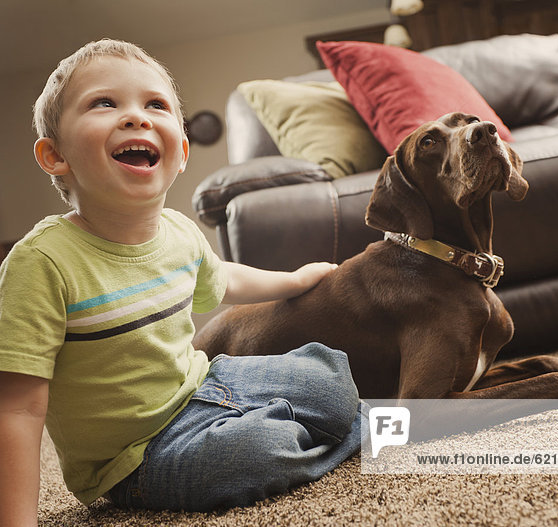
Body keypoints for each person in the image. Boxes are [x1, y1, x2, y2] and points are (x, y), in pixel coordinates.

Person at [0, 39, 365, 525]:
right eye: (105, 103)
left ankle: (314, 422)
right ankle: (336, 435)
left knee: (330, 376)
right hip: (135, 458)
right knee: (256, 450)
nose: (136, 117)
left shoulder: (179, 230)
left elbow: (226, 278)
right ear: (54, 155)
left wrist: (296, 279)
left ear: (183, 152)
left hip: (206, 383)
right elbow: (19, 410)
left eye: (155, 104)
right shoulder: (41, 263)